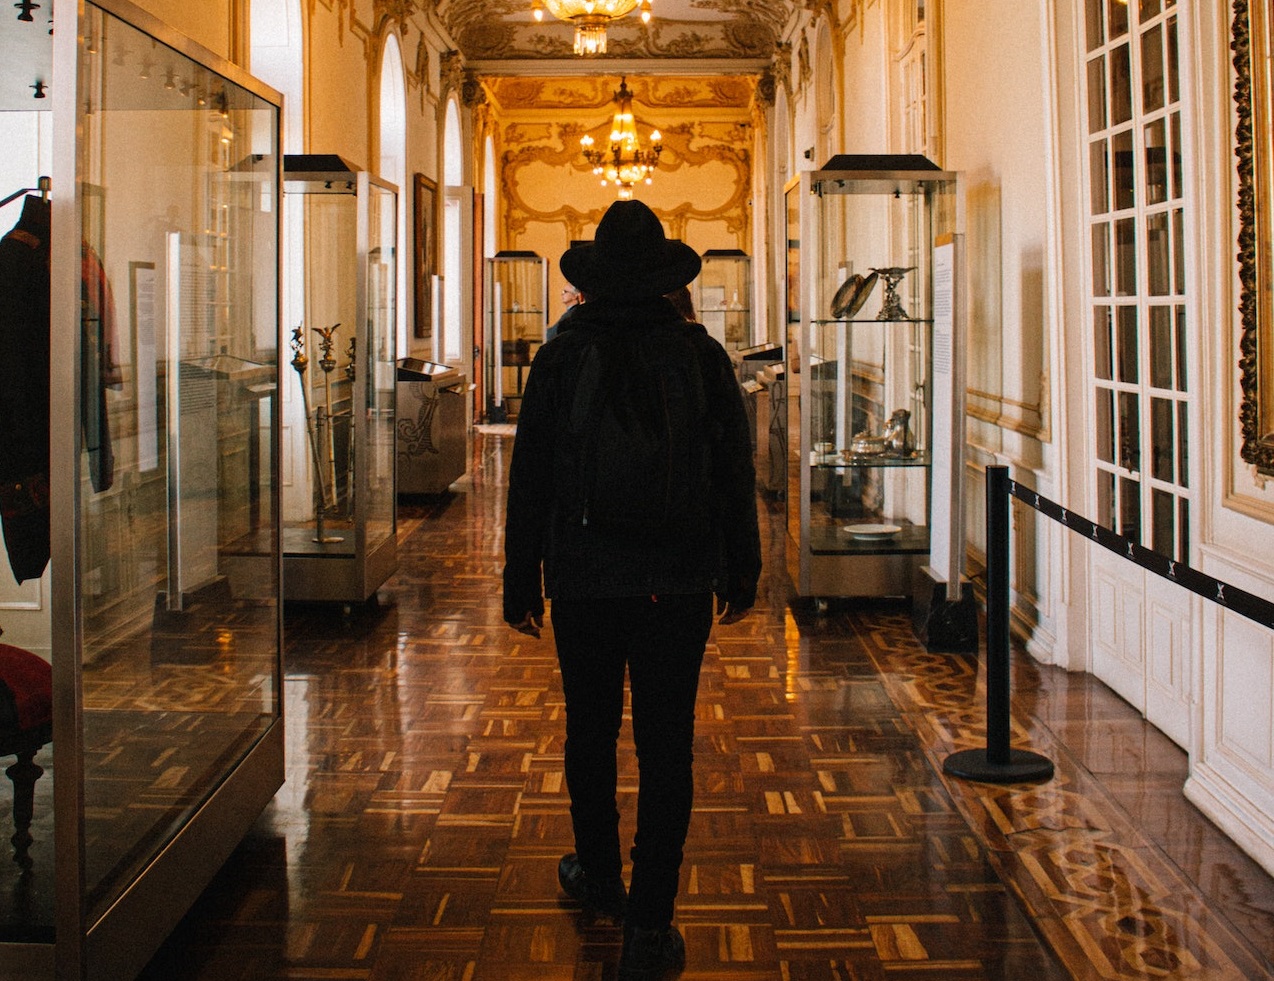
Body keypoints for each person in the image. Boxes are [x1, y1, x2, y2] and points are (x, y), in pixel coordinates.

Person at [503, 199, 761, 979]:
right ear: (661, 279)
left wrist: (523, 578)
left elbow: (531, 479)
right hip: (676, 580)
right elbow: (733, 472)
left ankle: (598, 872)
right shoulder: (700, 355)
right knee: (666, 744)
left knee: (590, 731)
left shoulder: (559, 356)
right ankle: (650, 920)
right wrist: (741, 566)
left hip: (583, 577)